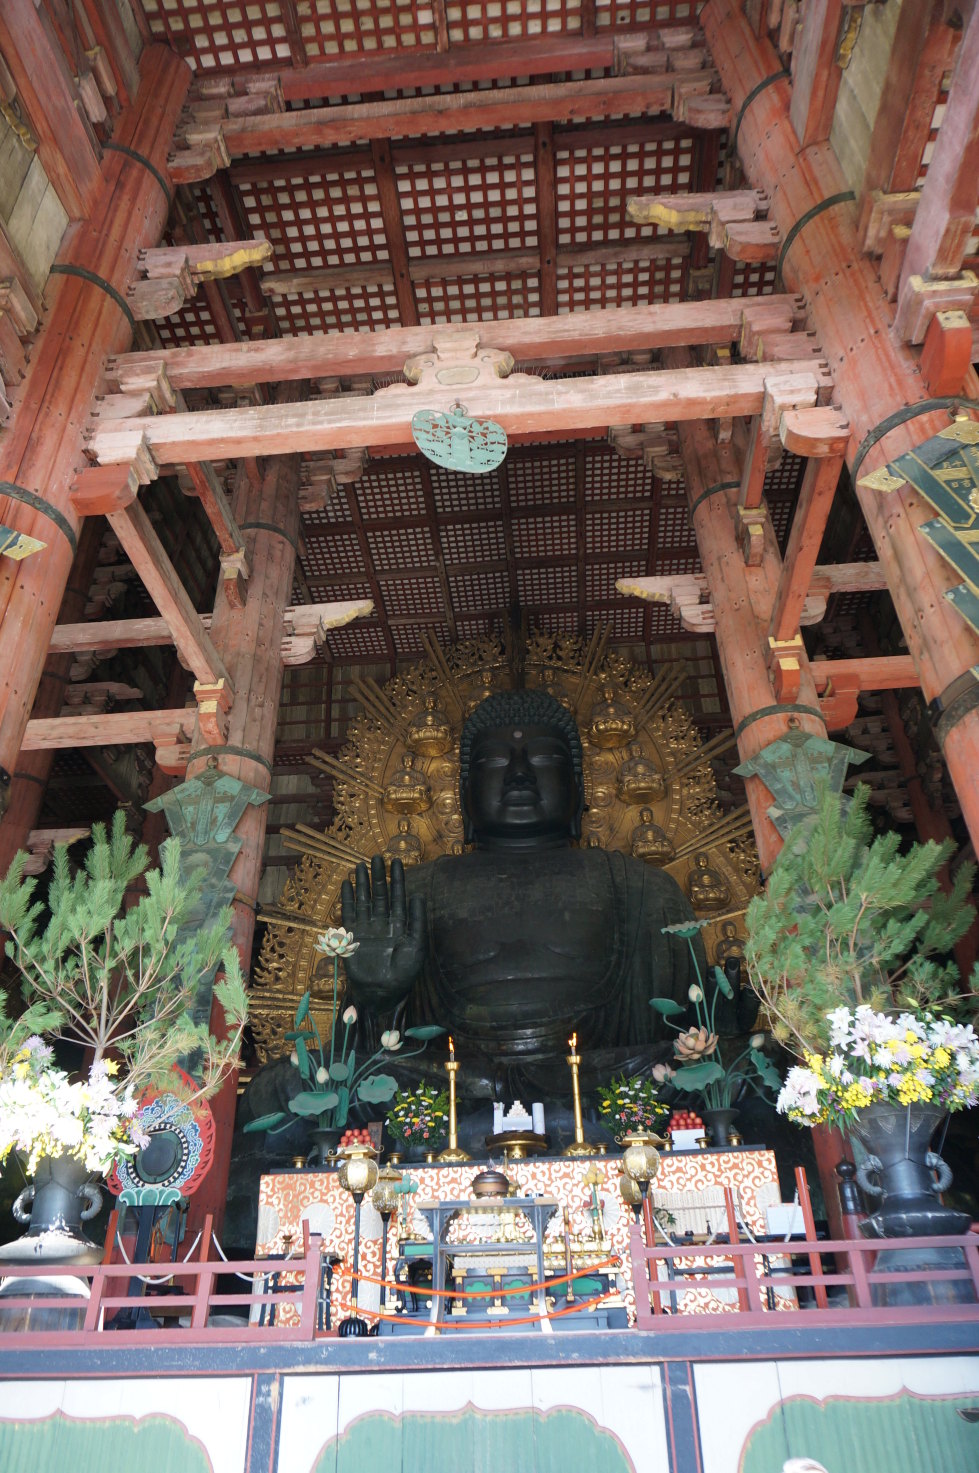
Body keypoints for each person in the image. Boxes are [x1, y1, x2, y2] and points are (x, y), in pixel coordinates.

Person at [341, 689, 703, 1101]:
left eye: (545, 759)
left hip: (605, 1079)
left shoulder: (644, 889)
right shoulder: (413, 893)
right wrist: (377, 999)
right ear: (463, 796)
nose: (519, 773)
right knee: (286, 1085)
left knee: (730, 1068)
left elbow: (688, 1032)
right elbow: (362, 1054)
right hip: (455, 1089)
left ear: (579, 791)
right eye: (494, 762)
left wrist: (724, 1024)